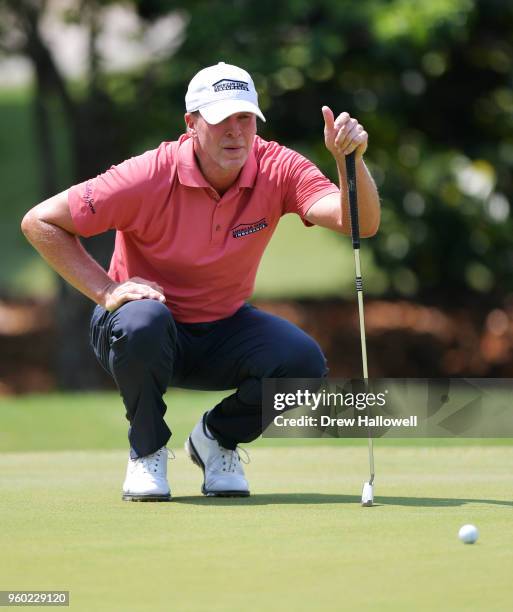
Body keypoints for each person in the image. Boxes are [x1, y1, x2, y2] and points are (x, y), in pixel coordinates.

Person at [21, 62, 380, 502]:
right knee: (144, 321)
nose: (235, 132)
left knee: (303, 364)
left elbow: (355, 221)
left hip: (222, 328)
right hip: (139, 328)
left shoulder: (276, 167)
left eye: (244, 118)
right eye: (220, 120)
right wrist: (106, 290)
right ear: (191, 124)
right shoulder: (148, 175)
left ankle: (215, 439)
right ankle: (147, 451)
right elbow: (40, 222)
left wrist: (350, 163)